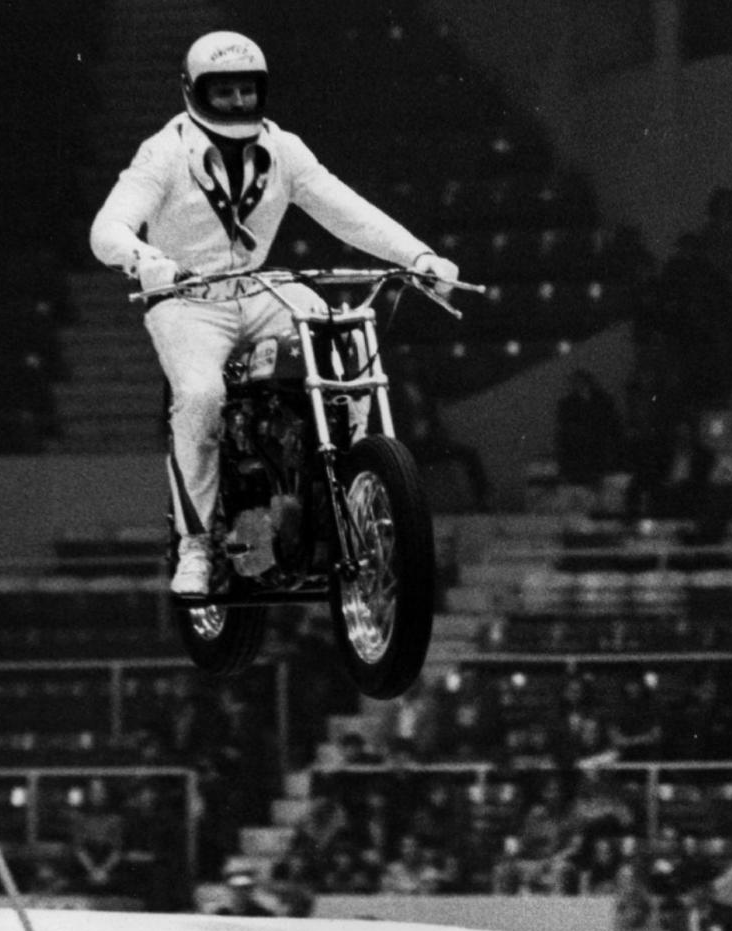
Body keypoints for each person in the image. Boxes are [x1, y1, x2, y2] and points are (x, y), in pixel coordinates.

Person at [89, 31, 460, 597]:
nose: (238, 102)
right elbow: (107, 229)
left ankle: (356, 474)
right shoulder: (164, 152)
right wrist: (147, 260)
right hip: (188, 302)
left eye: (247, 89)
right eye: (225, 91)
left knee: (341, 331)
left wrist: (418, 257)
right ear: (194, 91)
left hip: (260, 290)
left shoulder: (283, 149)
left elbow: (346, 211)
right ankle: (196, 543)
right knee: (201, 396)